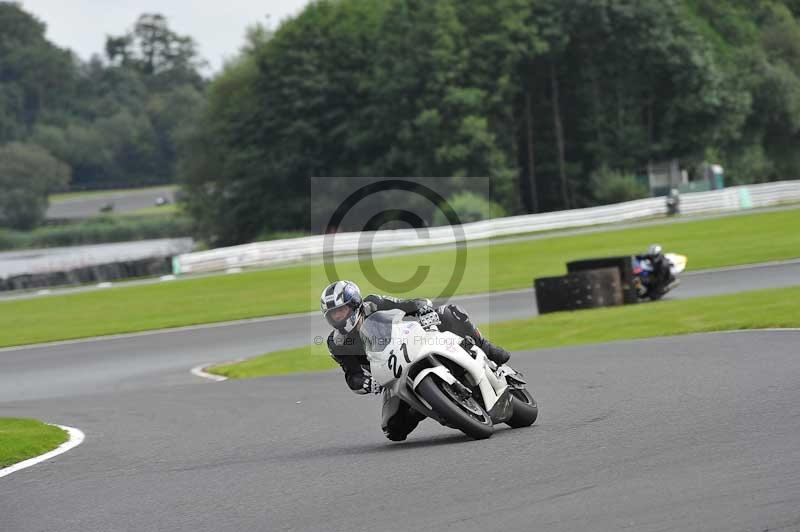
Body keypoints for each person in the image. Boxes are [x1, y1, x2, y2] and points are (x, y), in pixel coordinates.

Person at [320, 280, 511, 441]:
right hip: (390, 374)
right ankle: (423, 406)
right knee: (393, 429)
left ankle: (484, 346)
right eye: (333, 315)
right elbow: (352, 375)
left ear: (354, 304)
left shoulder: (374, 303)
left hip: (411, 343)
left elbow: (411, 304)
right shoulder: (336, 343)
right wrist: (366, 383)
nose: (338, 318)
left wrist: (424, 310)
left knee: (448, 312)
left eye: (341, 311)